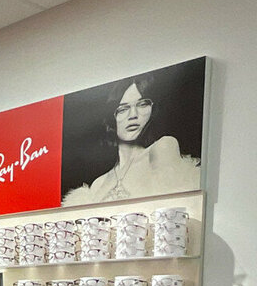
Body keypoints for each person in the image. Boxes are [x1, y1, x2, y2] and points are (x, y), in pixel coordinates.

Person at [62, 76, 200, 205]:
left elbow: (174, 209)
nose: (133, 115)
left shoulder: (162, 147)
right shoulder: (99, 183)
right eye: (123, 109)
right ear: (111, 119)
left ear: (152, 110)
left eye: (142, 104)